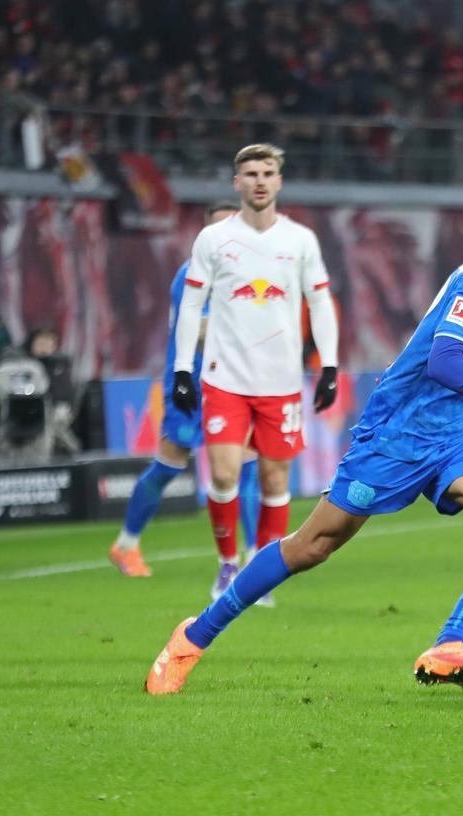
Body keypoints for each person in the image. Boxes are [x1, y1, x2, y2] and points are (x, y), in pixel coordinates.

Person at [145, 196, 463, 695]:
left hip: (456, 434)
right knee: (312, 546)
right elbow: (443, 361)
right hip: (398, 433)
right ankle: (192, 638)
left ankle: (450, 643)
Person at [169, 144, 340, 600]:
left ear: (278, 181)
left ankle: (260, 573)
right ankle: (228, 565)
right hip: (224, 377)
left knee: (275, 481)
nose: (259, 181)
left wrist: (329, 365)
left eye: (267, 173)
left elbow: (320, 302)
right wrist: (183, 369)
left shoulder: (300, 240)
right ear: (237, 183)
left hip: (280, 382)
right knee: (224, 475)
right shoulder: (214, 239)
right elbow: (191, 303)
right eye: (251, 174)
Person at [108, 202, 263, 580]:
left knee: (247, 464)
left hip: (233, 385)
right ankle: (126, 545)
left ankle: (253, 557)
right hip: (190, 384)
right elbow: (198, 332)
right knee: (168, 465)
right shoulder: (193, 274)